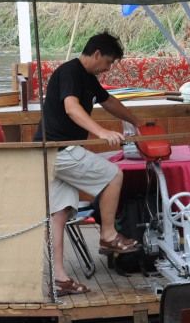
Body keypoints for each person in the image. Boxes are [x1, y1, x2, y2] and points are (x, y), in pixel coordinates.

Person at [43, 32, 144, 296]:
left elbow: (108, 101)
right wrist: (100, 132)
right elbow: (71, 108)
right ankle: (109, 235)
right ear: (97, 54)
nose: (108, 69)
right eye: (108, 62)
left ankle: (59, 278)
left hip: (48, 153)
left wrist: (137, 121)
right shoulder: (70, 72)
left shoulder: (87, 78)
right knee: (113, 175)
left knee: (60, 213)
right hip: (59, 150)